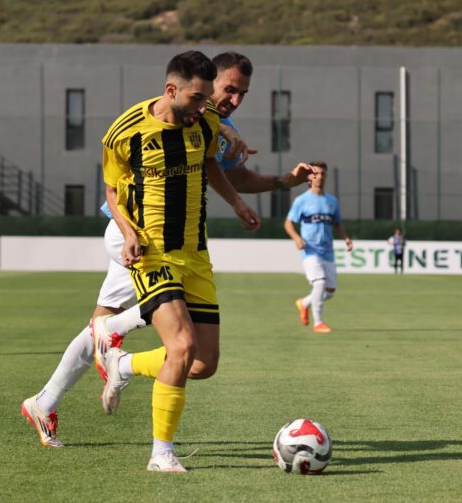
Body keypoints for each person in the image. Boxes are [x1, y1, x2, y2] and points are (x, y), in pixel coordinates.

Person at [21, 52, 315, 451]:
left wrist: (277, 182)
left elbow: (230, 174)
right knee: (163, 329)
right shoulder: (187, 110)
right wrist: (226, 136)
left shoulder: (211, 118)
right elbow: (145, 145)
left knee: (102, 326)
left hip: (163, 238)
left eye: (243, 94)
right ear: (206, 84)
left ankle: (47, 401)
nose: (234, 100)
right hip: (140, 233)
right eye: (229, 90)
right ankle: (122, 367)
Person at [284, 161, 353, 333]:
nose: (319, 177)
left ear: (326, 176)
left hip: (327, 251)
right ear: (310, 177)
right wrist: (296, 238)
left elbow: (337, 223)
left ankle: (304, 303)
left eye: (322, 174)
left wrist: (346, 238)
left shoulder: (332, 201)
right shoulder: (302, 200)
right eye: (316, 174)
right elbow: (288, 223)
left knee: (329, 291)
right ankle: (318, 323)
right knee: (320, 283)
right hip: (310, 250)